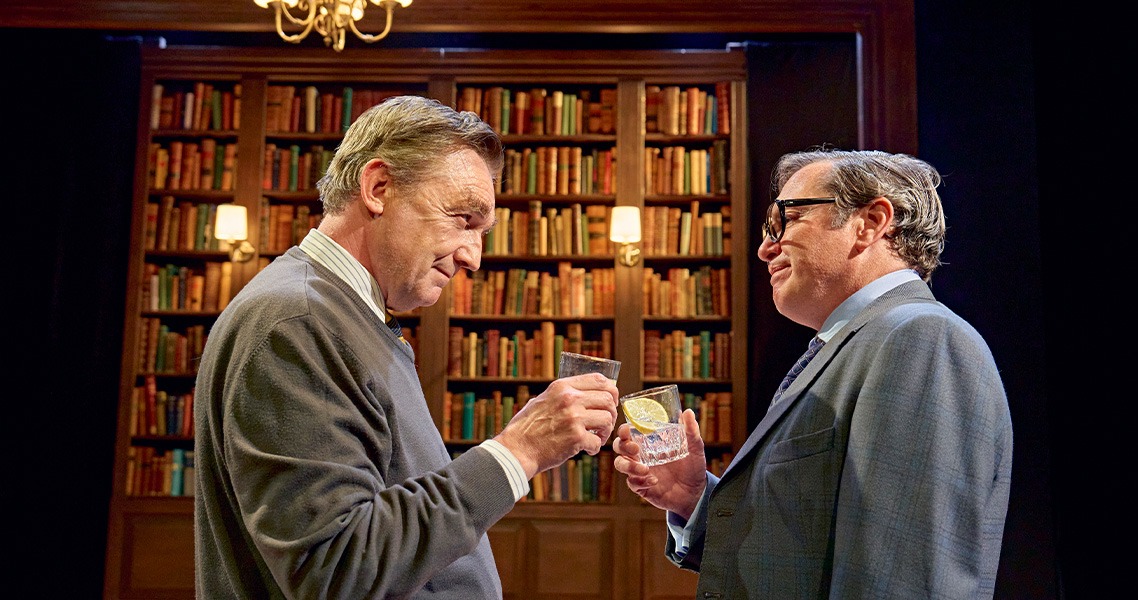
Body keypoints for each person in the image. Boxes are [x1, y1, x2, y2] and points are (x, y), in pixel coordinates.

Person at [193, 95, 619, 599]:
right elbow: (336, 570)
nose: (473, 258)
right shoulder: (298, 322)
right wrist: (519, 450)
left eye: (483, 232)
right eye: (463, 218)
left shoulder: (345, 314)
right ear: (378, 187)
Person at [613, 148, 1013, 598]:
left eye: (788, 218)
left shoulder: (921, 339)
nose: (765, 248)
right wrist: (693, 498)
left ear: (869, 223)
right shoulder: (855, 344)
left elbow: (904, 578)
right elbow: (793, 558)